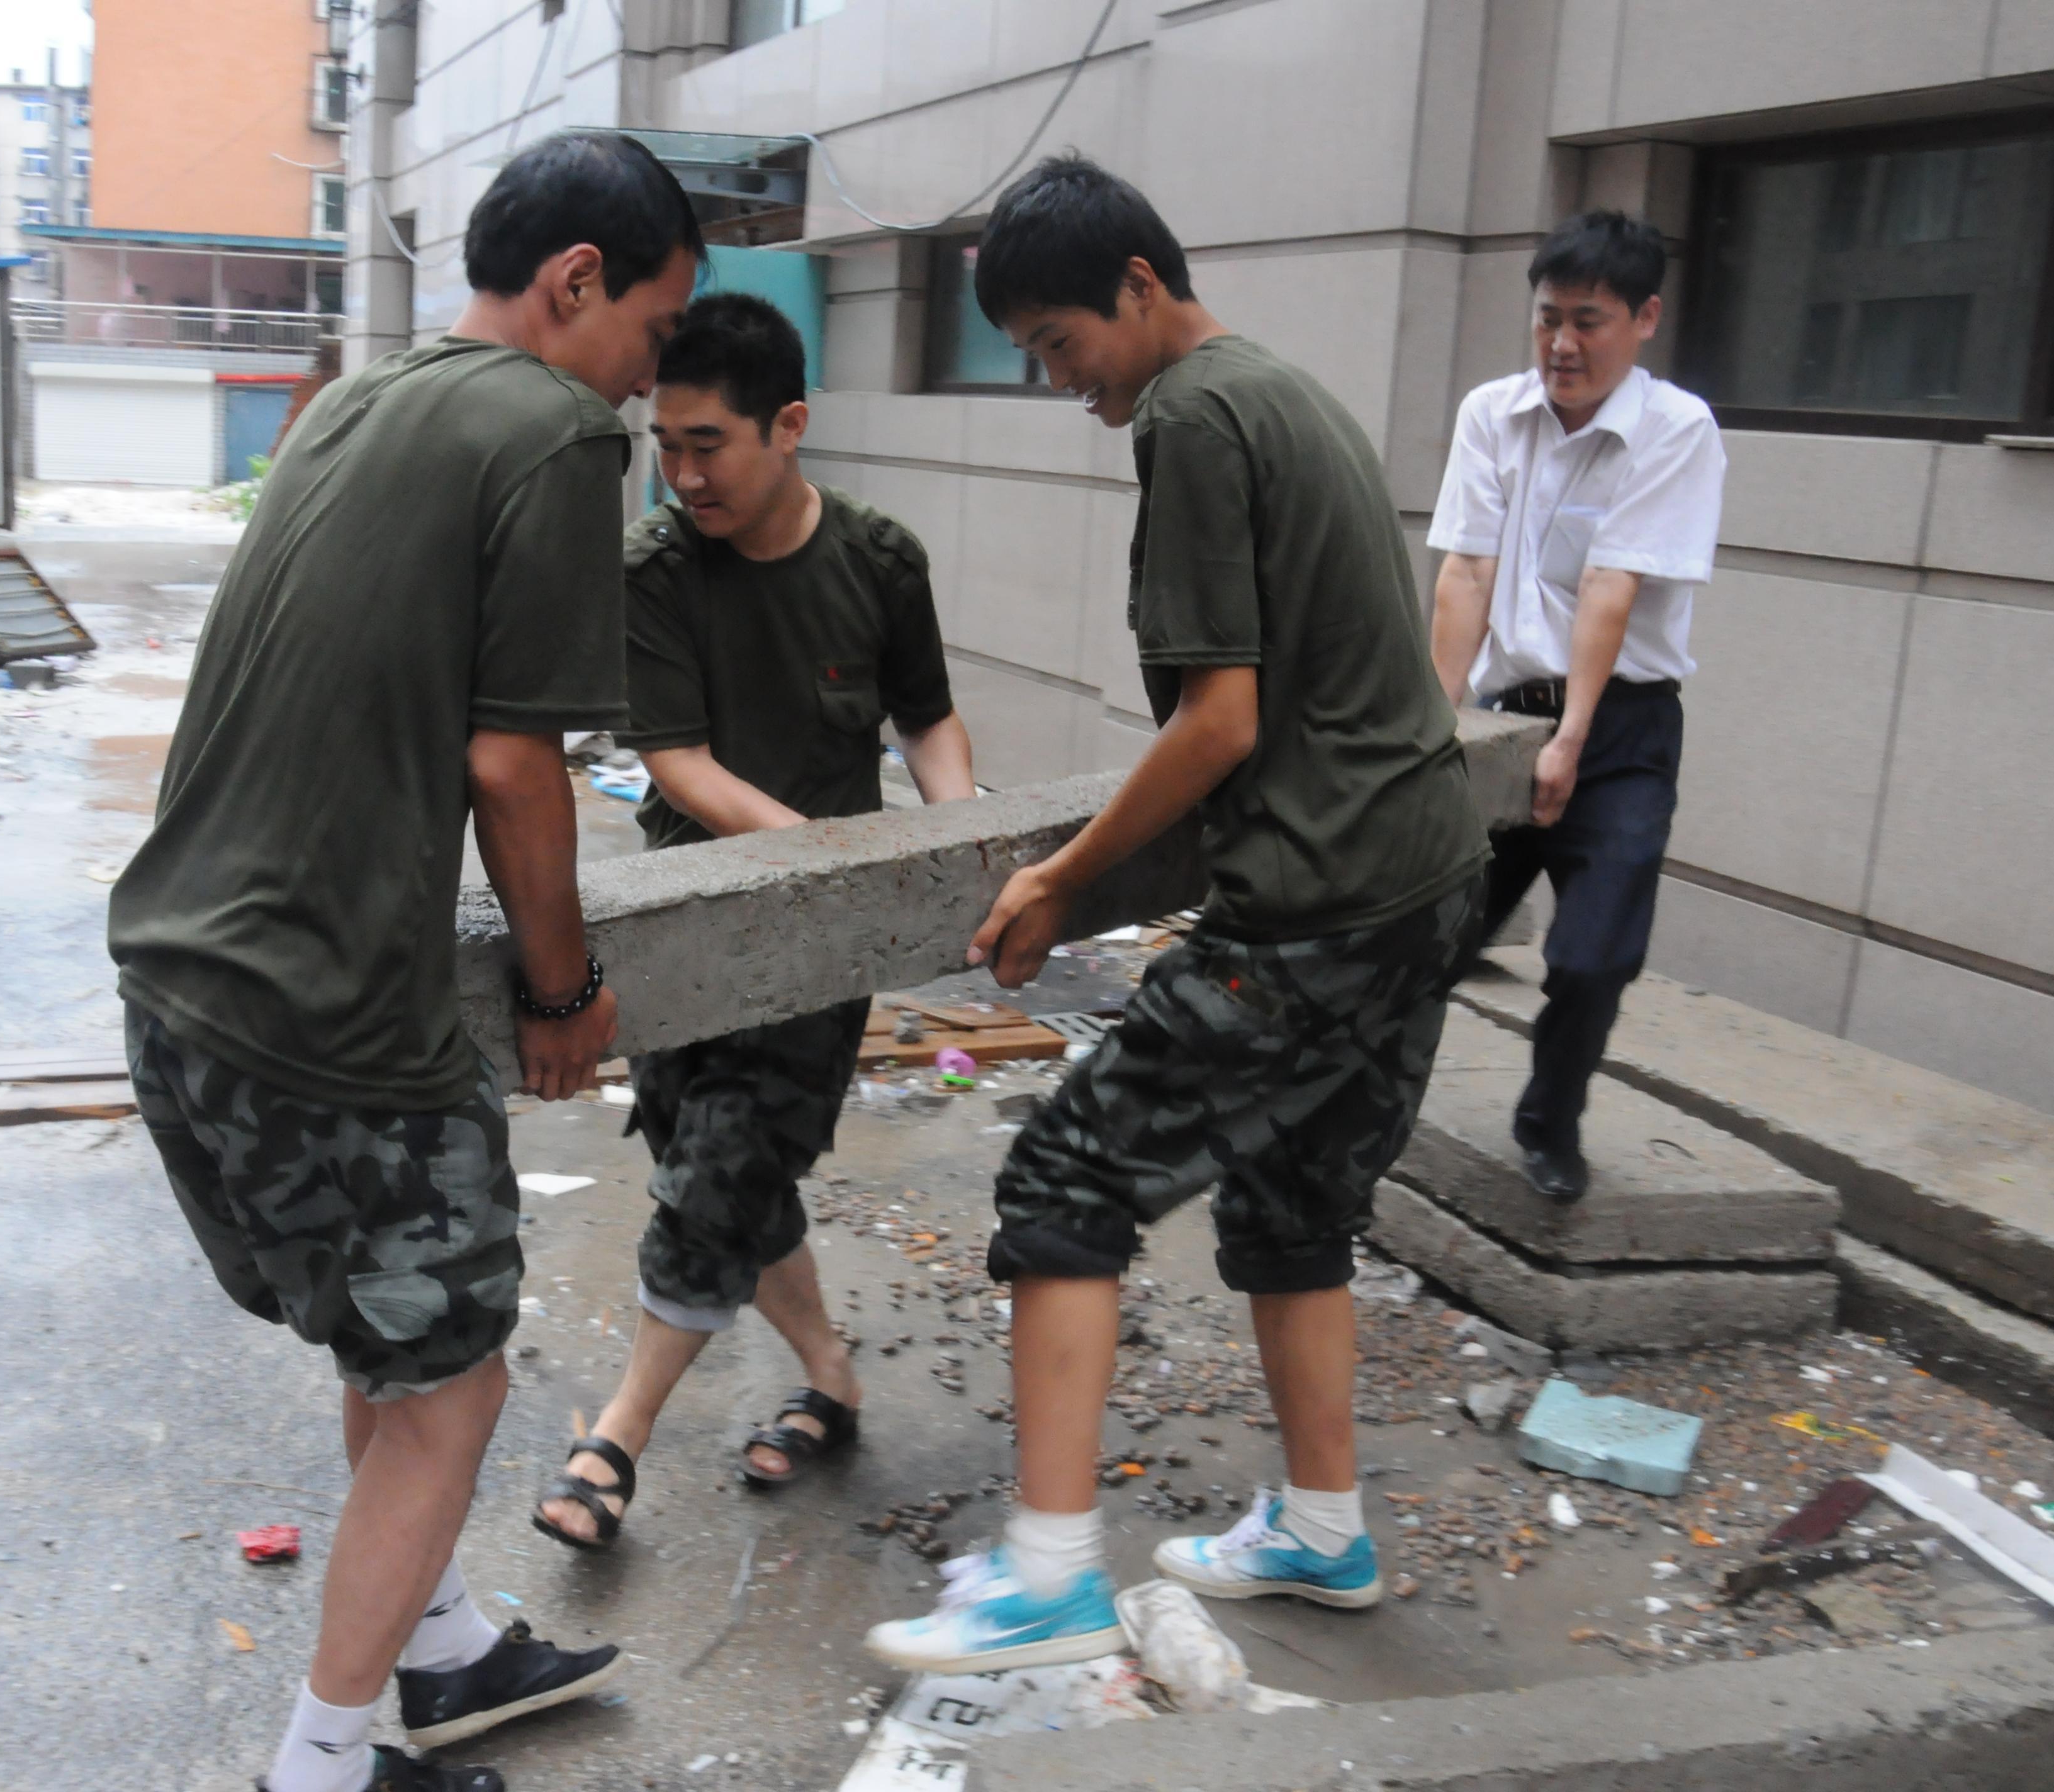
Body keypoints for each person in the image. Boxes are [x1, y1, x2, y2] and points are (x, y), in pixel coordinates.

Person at [106, 132, 703, 1792]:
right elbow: (514, 766)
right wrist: (565, 994)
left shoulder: (356, 402)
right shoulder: (551, 431)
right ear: (576, 283)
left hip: (176, 974)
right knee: (452, 1388)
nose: (649, 379)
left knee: (403, 1345)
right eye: (652, 329)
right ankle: (321, 1765)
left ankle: (437, 1649)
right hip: (320, 1012)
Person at [863, 156, 1489, 1674]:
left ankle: (1048, 1580)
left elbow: (1219, 719)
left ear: (1139, 285)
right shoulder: (1285, 391)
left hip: (1321, 901)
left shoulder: (1193, 418)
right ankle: (1322, 1530)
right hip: (1423, 880)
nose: (1055, 376)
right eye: (1029, 351)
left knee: (1064, 1179)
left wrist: (1060, 875)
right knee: (1292, 1200)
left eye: (1059, 339)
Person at [533, 291, 977, 1550]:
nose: (682, 475)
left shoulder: (880, 561)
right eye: (665, 445)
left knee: (725, 1162)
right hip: (683, 922)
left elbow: (927, 717)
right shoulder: (656, 570)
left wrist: (954, 843)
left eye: (707, 445)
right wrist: (822, 850)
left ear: (788, 425)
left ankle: (616, 1439)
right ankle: (830, 1375)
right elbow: (678, 761)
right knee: (716, 1159)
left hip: (823, 942)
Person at [1427, 210, 1727, 1204]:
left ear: (1645, 319)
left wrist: (1573, 740)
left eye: (1587, 321)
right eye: (1548, 318)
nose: (1562, 343)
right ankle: (1362, 1101)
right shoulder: (1492, 414)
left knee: (1595, 957)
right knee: (1427, 932)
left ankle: (1550, 1123)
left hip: (1623, 731)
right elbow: (1467, 571)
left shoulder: (1676, 431)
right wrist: (1435, 727)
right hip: (1507, 719)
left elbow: (1612, 585)